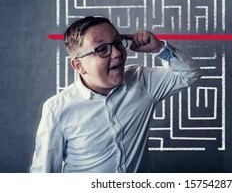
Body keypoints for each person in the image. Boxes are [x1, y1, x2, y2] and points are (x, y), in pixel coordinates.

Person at [30, 16, 202, 173]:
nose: (118, 53)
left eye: (118, 43)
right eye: (102, 49)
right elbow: (42, 175)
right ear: (78, 66)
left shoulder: (142, 82)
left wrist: (159, 49)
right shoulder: (57, 109)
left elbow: (189, 74)